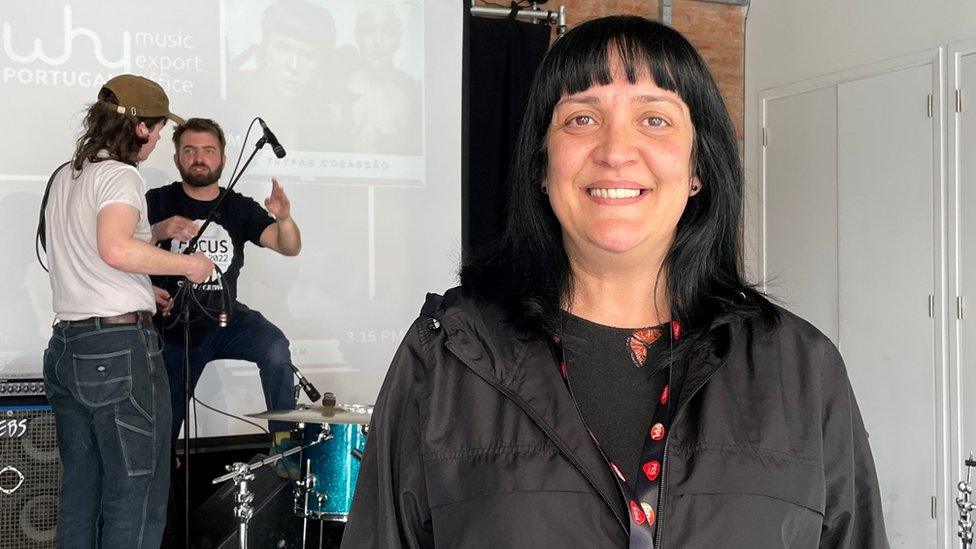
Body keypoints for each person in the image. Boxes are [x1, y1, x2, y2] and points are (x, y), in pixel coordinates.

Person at [342, 16, 889, 548]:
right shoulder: (446, 357)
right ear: (543, 163)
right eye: (582, 118)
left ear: (698, 166)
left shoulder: (803, 368)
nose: (615, 151)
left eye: (655, 119)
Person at [40, 75, 213, 548]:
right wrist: (188, 264)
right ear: (140, 128)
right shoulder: (120, 174)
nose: (158, 141)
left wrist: (140, 284)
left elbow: (86, 253)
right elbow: (114, 249)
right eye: (158, 131)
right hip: (116, 354)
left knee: (82, 495)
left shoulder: (67, 173)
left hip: (67, 350)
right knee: (136, 494)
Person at [146, 117, 303, 478]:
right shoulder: (158, 201)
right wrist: (159, 229)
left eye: (208, 150)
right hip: (175, 326)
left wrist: (284, 218)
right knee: (163, 433)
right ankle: (164, 467)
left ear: (223, 158)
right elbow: (121, 250)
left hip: (226, 318)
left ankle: (283, 441)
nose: (199, 157)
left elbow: (288, 246)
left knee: (274, 346)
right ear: (176, 159)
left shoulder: (239, 207)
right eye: (189, 150)